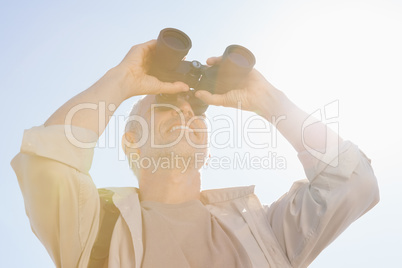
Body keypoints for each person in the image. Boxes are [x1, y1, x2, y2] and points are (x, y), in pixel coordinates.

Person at [11, 39, 379, 268]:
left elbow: (353, 183)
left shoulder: (264, 229)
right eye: (166, 105)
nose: (186, 112)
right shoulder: (94, 230)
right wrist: (121, 80)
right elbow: (48, 161)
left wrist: (268, 101)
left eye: (196, 111)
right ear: (130, 141)